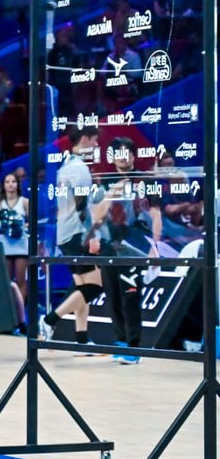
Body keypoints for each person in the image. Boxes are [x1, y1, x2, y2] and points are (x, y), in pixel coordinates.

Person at [91, 135, 161, 363]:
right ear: (113, 157)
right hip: (109, 246)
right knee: (112, 297)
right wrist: (114, 192)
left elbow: (156, 215)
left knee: (130, 296)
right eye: (119, 153)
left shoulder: (144, 181)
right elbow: (97, 216)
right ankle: (120, 341)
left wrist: (155, 246)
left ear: (133, 156)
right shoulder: (105, 181)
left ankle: (134, 346)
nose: (123, 157)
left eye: (127, 152)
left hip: (133, 246)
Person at [42, 124, 104, 350]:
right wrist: (92, 234)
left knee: (82, 288)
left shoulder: (66, 166)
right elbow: (81, 207)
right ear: (85, 139)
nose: (96, 145)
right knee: (95, 287)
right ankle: (50, 320)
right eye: (94, 140)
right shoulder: (79, 168)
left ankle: (82, 338)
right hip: (78, 233)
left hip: (65, 233)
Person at [0, 172, 29, 334]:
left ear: (18, 184)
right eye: (7, 181)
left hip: (20, 245)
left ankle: (21, 318)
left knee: (20, 280)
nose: (11, 184)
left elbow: (32, 222)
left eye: (13, 181)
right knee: (6, 282)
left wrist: (21, 226)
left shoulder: (25, 202)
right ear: (3, 185)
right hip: (5, 245)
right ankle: (8, 315)